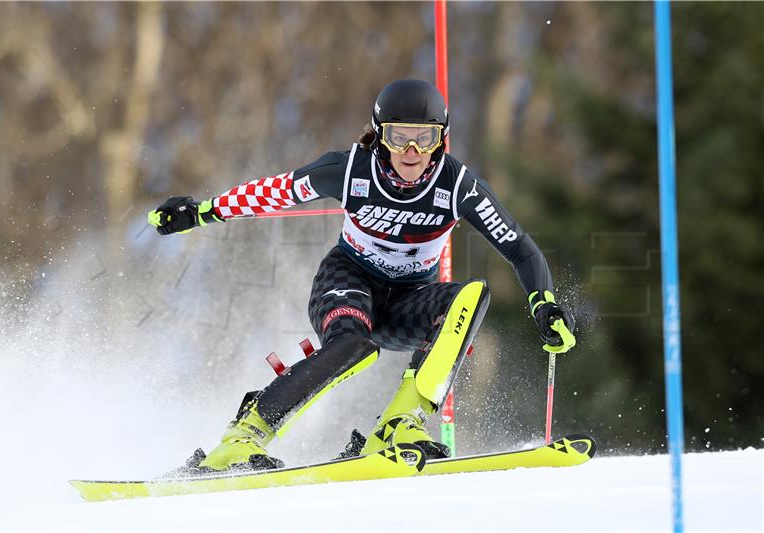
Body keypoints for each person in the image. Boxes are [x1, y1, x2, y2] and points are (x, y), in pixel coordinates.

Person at [148, 79, 576, 473]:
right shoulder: (349, 169)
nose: (411, 151)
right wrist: (201, 212)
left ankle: (399, 424)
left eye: (423, 138)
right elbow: (273, 192)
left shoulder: (458, 185)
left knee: (471, 296)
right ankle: (245, 435)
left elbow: (520, 248)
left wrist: (545, 304)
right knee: (354, 344)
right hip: (347, 279)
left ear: (441, 139)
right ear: (379, 135)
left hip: (408, 303)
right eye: (398, 137)